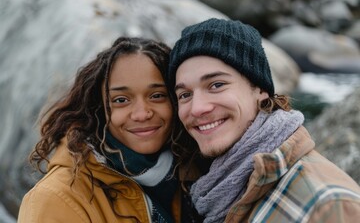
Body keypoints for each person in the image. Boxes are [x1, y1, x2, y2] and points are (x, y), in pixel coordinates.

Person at [167, 18, 360, 223]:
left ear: (260, 90)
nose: (197, 108)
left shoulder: (330, 205)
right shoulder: (204, 185)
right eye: (185, 95)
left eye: (216, 85)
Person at [18, 37, 199, 223]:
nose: (142, 114)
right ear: (98, 108)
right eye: (121, 100)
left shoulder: (196, 175)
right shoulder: (56, 198)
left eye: (157, 96)